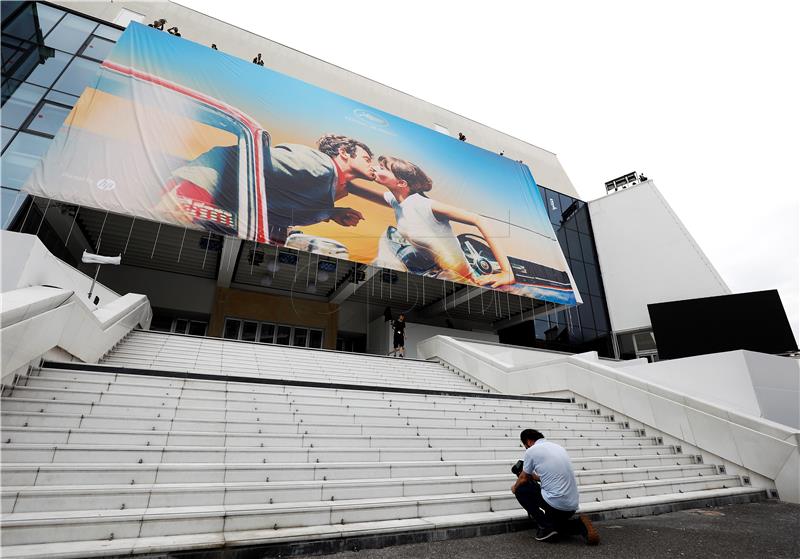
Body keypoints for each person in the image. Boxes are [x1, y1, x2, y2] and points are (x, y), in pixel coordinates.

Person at [159, 134, 374, 243]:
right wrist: (191, 195)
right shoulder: (318, 165)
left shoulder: (325, 178)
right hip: (199, 189)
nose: (372, 165)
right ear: (344, 152)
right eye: (367, 159)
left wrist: (331, 213)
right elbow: (248, 158)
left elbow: (277, 200)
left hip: (217, 204)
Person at [347, 155, 514, 287]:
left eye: (382, 168)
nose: (376, 168)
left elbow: (479, 219)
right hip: (434, 275)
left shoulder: (423, 205)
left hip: (462, 280)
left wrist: (507, 272)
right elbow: (351, 188)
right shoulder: (396, 201)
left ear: (401, 182)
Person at [511, 428, 599, 545]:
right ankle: (579, 526)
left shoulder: (532, 451)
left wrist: (514, 487)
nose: (526, 448)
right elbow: (550, 476)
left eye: (525, 446)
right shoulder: (558, 447)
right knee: (557, 526)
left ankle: (546, 527)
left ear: (528, 441)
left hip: (555, 505)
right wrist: (534, 476)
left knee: (521, 489)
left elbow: (523, 478)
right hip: (571, 506)